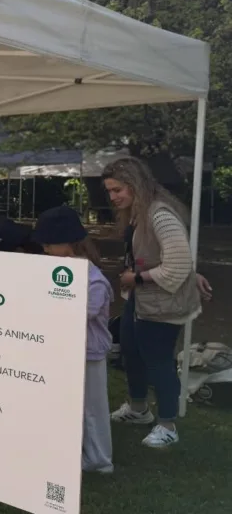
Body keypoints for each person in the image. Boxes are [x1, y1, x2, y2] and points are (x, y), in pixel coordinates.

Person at [102, 156, 203, 448]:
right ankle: (138, 410)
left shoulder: (159, 213)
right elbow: (174, 256)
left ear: (135, 185)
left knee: (159, 362)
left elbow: (178, 261)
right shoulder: (140, 211)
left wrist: (139, 278)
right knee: (131, 351)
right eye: (109, 191)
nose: (113, 196)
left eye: (118, 189)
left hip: (163, 302)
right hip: (144, 299)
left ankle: (168, 425)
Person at [33, 206, 114, 473]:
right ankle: (76, 451)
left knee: (93, 408)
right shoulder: (58, 274)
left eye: (49, 245)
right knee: (69, 406)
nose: (45, 250)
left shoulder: (94, 282)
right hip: (65, 352)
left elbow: (76, 315)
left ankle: (100, 460)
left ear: (68, 244)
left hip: (89, 353)